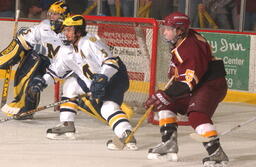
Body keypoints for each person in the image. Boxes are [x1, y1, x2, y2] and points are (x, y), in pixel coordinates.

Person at [29, 15, 138, 151]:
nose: (65, 34)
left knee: (108, 108)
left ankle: (126, 135)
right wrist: (42, 82)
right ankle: (67, 124)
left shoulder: (90, 42)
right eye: (64, 30)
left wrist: (102, 78)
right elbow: (55, 72)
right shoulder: (66, 50)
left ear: (78, 32)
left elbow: (111, 62)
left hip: (114, 77)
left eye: (69, 30)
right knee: (70, 85)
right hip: (92, 80)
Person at [144, 12, 229, 166]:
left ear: (179, 30)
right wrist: (165, 96)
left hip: (210, 84)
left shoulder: (190, 48)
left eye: (169, 29)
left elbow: (188, 83)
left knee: (196, 115)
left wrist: (165, 94)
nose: (164, 32)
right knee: (166, 103)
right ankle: (169, 143)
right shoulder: (182, 41)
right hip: (199, 82)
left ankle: (217, 153)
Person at [0, 1, 71, 119]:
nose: (51, 16)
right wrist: (9, 57)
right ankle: (24, 106)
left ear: (64, 16)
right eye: (51, 13)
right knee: (32, 58)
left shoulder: (71, 32)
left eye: (56, 14)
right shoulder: (44, 26)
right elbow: (23, 40)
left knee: (37, 64)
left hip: (61, 67)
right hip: (44, 62)